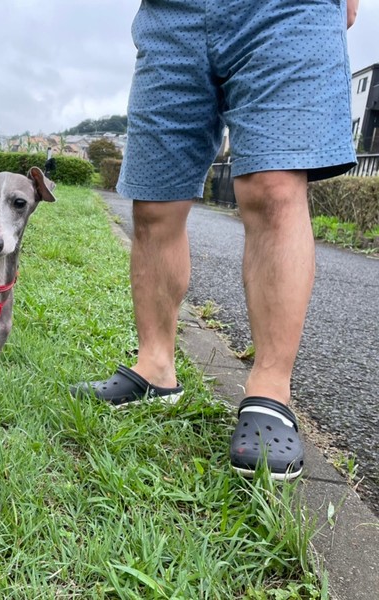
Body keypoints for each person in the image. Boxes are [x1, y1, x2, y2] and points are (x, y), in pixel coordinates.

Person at [72, 0, 360, 480]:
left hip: (285, 9)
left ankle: (269, 391)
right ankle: (154, 368)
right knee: (154, 204)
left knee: (272, 187)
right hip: (172, 14)